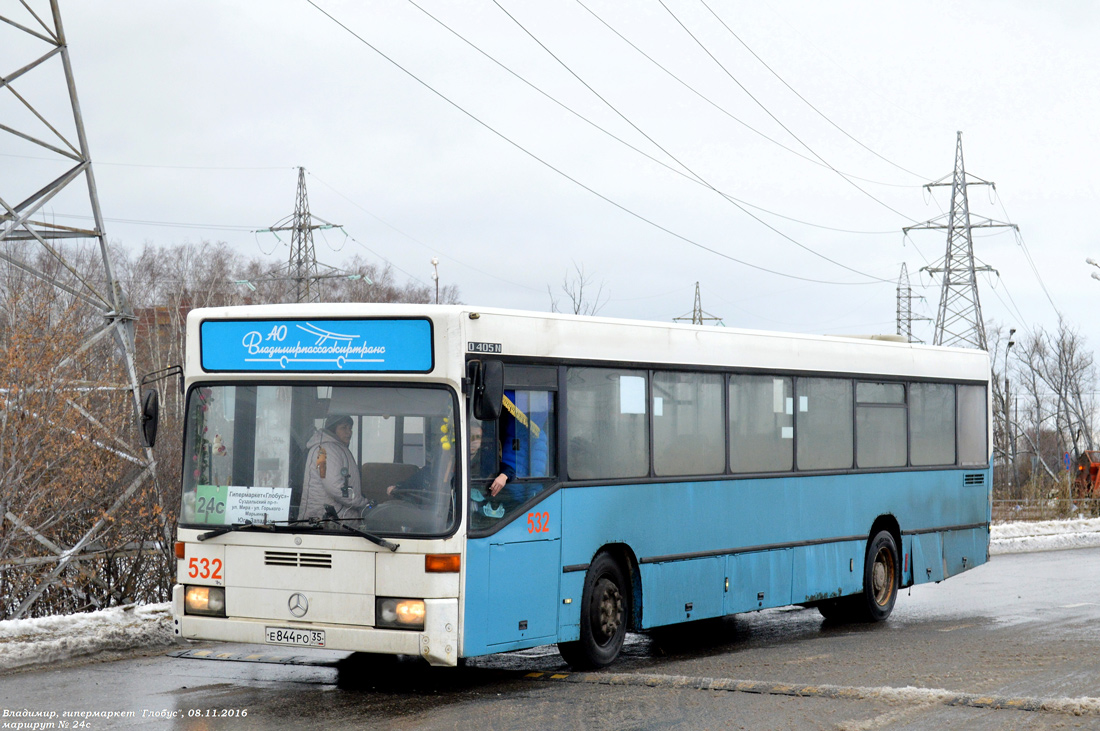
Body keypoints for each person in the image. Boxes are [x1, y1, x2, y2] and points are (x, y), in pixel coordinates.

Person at [300, 414, 370, 520]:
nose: (349, 432)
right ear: (333, 429)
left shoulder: (335, 448)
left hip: (335, 519)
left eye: (350, 428)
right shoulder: (325, 450)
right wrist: (362, 503)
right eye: (344, 428)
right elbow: (335, 487)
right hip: (326, 521)